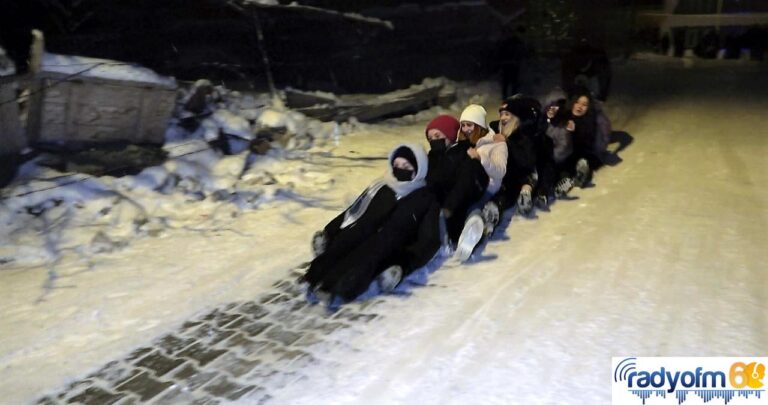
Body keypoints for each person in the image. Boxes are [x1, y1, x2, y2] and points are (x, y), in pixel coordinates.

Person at [303, 143, 440, 305]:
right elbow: (354, 211)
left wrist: (407, 262)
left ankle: (336, 290)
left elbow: (429, 240)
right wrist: (330, 231)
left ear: (418, 170)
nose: (399, 169)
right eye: (396, 165)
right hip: (364, 229)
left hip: (391, 241)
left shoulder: (426, 199)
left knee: (367, 258)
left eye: (406, 166)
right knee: (343, 243)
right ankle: (311, 278)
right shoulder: (382, 187)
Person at [483, 96, 541, 234]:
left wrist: (506, 143)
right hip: (498, 172)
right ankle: (492, 208)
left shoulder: (522, 135)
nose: (503, 117)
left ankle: (505, 204)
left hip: (518, 175)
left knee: (511, 189)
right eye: (501, 114)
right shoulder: (494, 130)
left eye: (507, 114)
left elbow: (527, 161)